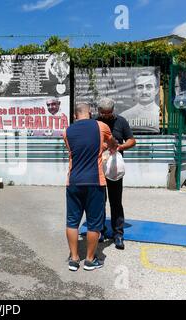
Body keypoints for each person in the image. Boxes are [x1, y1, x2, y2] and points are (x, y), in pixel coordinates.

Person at [63, 103, 117, 271]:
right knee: (94, 223)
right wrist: (110, 148)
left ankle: (73, 259)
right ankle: (89, 259)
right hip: (95, 181)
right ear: (91, 113)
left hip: (73, 181)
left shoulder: (67, 132)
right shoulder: (101, 126)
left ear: (74, 116)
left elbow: (76, 151)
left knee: (72, 222)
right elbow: (112, 142)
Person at [97, 97, 136, 250]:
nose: (106, 116)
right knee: (99, 200)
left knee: (115, 201)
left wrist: (119, 147)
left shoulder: (121, 121)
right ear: (99, 111)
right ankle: (99, 230)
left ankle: (118, 233)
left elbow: (132, 141)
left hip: (115, 169)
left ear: (113, 110)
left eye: (109, 113)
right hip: (99, 166)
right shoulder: (95, 122)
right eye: (103, 113)